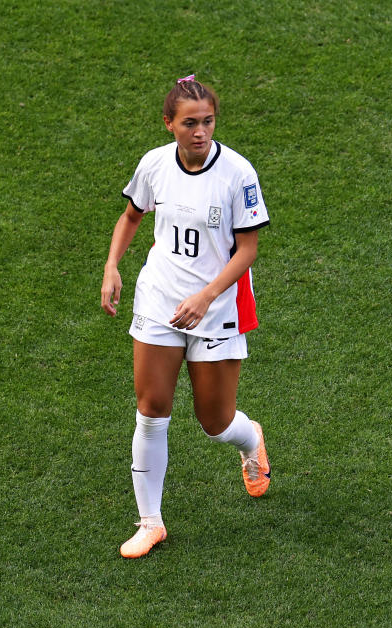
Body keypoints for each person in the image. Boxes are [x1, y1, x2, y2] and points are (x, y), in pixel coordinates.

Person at [100, 74, 272, 559]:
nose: (201, 132)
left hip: (217, 307)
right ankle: (150, 522)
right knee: (151, 410)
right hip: (159, 299)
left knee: (214, 421)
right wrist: (112, 266)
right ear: (169, 124)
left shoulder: (238, 173)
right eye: (190, 123)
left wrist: (206, 296)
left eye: (208, 122)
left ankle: (250, 438)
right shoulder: (155, 164)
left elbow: (249, 249)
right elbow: (133, 215)